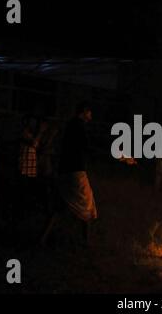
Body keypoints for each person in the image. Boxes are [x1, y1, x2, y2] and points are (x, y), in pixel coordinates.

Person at [56, 102, 97, 243]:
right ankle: (86, 242)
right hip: (75, 171)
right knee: (88, 206)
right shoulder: (79, 126)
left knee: (60, 206)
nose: (91, 117)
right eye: (90, 113)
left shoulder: (70, 125)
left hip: (64, 170)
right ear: (84, 111)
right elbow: (88, 147)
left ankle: (44, 238)